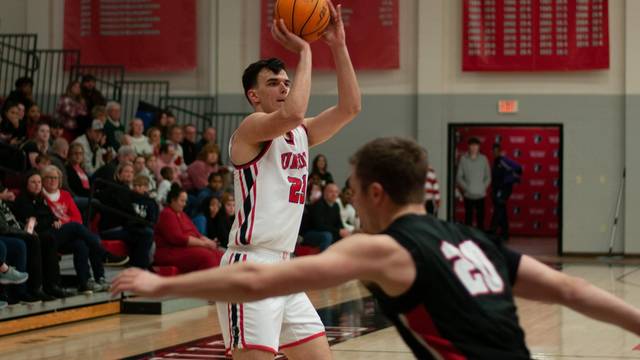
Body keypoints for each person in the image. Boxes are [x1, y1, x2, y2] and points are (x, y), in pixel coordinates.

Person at [113, 137, 640, 359]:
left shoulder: (384, 249)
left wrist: (164, 282)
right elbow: (569, 288)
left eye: (355, 188)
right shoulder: (471, 238)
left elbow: (254, 281)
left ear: (375, 193)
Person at [165, 3, 358, 357]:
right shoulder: (251, 128)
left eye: (287, 82)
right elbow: (295, 111)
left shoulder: (300, 132)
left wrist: (338, 44)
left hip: (285, 268)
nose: (284, 88)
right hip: (250, 267)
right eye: (274, 83)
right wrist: (304, 49)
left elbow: (350, 108)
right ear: (254, 96)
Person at [153, 185, 223, 274]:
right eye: (182, 201)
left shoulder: (182, 214)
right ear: (173, 200)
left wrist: (209, 242)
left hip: (185, 248)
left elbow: (197, 233)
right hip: (170, 251)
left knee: (218, 254)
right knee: (206, 256)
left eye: (185, 201)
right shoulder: (167, 214)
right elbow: (178, 238)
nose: (184, 204)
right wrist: (204, 244)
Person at [490, 143, 523, 243]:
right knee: (501, 210)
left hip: (504, 189)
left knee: (499, 209)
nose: (495, 153)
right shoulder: (495, 161)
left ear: (500, 151)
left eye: (497, 151)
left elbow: (518, 168)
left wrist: (509, 179)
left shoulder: (503, 160)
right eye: (494, 151)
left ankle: (493, 232)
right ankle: (505, 233)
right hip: (496, 188)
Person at [456, 137, 491, 230]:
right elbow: (459, 177)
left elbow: (488, 176)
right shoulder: (463, 159)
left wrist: (483, 187)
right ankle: (468, 240)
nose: (474, 148)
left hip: (481, 195)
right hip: (468, 195)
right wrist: (467, 188)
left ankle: (480, 240)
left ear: (479, 147)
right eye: (472, 145)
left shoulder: (484, 159)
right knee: (468, 220)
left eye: (476, 145)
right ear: (469, 147)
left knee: (480, 220)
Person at [304, 183, 351, 251]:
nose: (334, 194)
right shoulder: (319, 205)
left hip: (327, 232)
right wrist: (338, 231)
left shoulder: (336, 206)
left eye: (336, 192)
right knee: (327, 236)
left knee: (346, 235)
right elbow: (319, 226)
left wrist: (344, 231)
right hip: (310, 233)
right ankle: (323, 259)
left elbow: (339, 223)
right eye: (331, 191)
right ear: (325, 193)